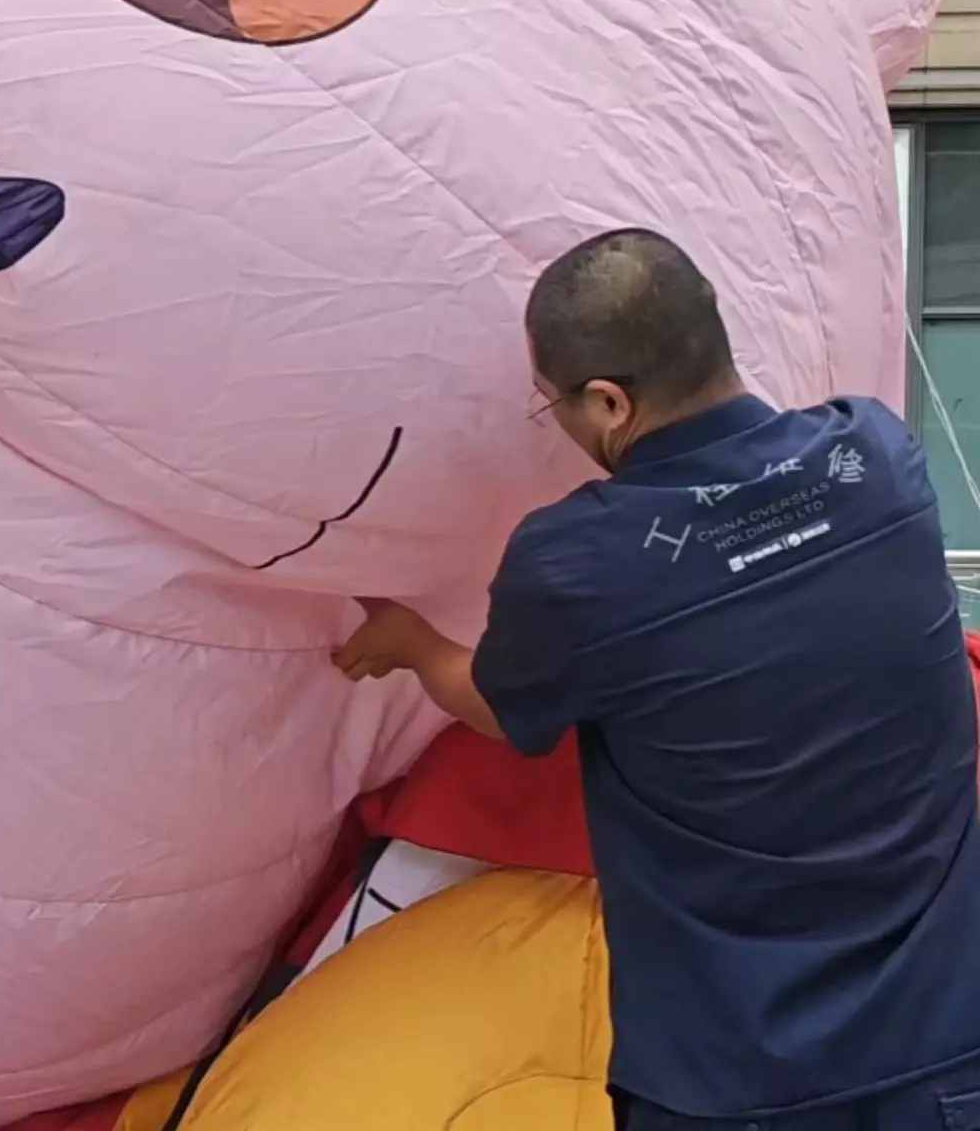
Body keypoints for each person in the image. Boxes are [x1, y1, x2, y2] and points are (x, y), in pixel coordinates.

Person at [333, 228, 980, 1131]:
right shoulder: (875, 456)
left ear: (609, 401)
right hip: (946, 1049)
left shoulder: (580, 562)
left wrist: (413, 643)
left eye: (550, 405)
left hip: (736, 1080)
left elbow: (500, 707)